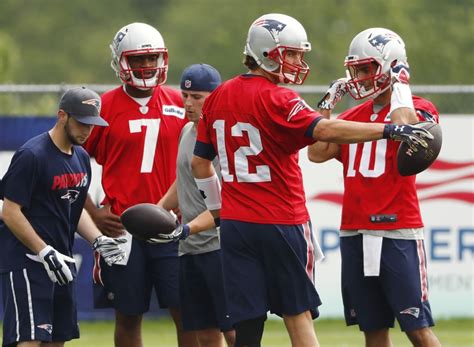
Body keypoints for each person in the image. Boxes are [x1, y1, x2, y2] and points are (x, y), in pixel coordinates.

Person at [190, 14, 434, 347]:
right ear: (266, 52)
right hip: (282, 219)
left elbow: (200, 161)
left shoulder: (218, 96)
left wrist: (217, 210)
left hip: (237, 223)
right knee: (298, 314)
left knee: (247, 323)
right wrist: (387, 129)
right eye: (290, 54)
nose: (296, 62)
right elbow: (321, 139)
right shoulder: (281, 98)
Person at [308, 28, 441, 347]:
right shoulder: (354, 115)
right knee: (373, 327)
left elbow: (409, 127)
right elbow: (316, 152)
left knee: (416, 327)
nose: (360, 77)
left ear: (393, 66)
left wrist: (401, 86)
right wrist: (326, 106)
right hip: (355, 231)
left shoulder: (419, 107)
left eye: (367, 69)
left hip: (397, 230)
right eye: (357, 69)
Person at [82, 22, 194, 347]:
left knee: (185, 312)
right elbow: (71, 161)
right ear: (120, 62)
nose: (146, 66)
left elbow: (199, 160)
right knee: (128, 314)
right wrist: (92, 212)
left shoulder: (179, 102)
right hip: (122, 227)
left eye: (152, 58)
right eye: (138, 60)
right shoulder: (102, 107)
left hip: (173, 224)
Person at [0, 87, 127, 346]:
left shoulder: (80, 157)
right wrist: (45, 251)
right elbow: (10, 212)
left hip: (62, 264)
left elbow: (74, 206)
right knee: (29, 340)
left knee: (57, 340)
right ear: (61, 116)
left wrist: (97, 240)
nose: (87, 131)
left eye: (92, 125)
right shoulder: (32, 155)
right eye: (81, 123)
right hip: (28, 262)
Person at [154, 63, 235, 347]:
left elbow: (226, 203)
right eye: (185, 96)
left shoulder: (225, 137)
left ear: (215, 97)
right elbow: (183, 179)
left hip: (221, 247)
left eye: (197, 97)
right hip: (190, 248)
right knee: (205, 333)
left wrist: (187, 229)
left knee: (234, 331)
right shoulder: (187, 131)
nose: (188, 103)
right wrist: (159, 208)